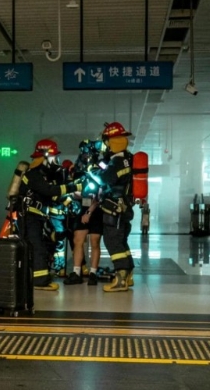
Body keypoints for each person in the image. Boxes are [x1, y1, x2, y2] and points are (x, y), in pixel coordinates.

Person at [18, 139, 82, 292]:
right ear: (45, 156)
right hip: (29, 218)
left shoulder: (41, 175)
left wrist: (69, 203)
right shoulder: (33, 175)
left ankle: (39, 277)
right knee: (37, 247)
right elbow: (49, 191)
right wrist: (74, 186)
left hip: (37, 218)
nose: (56, 161)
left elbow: (52, 196)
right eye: (53, 157)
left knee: (44, 246)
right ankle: (39, 281)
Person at [92, 122, 135, 292]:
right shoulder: (127, 159)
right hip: (124, 208)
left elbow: (106, 180)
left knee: (113, 242)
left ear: (111, 141)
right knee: (122, 242)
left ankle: (121, 280)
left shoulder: (117, 161)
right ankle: (128, 275)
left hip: (114, 208)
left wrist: (94, 172)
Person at [65, 140, 104, 286]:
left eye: (88, 151)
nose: (86, 154)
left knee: (95, 241)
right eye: (84, 151)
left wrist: (89, 211)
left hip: (96, 208)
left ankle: (93, 273)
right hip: (82, 207)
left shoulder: (100, 167)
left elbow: (101, 192)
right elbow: (72, 187)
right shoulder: (77, 167)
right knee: (77, 240)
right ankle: (77, 272)